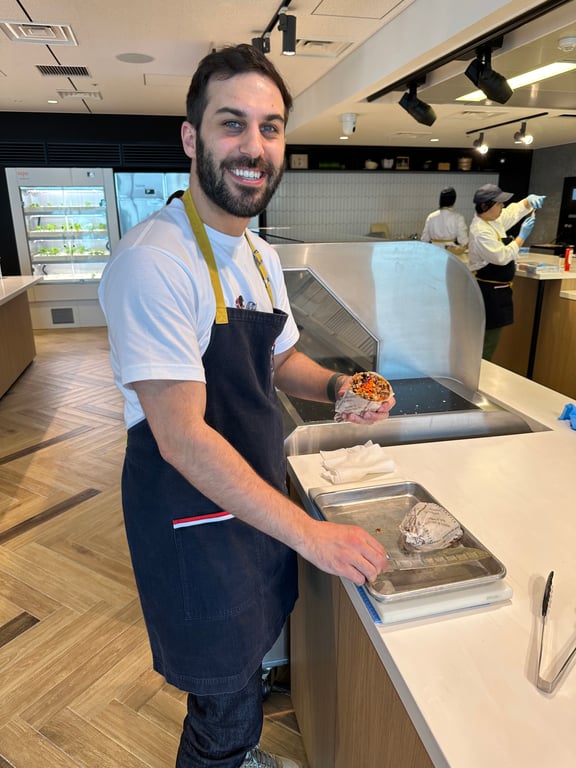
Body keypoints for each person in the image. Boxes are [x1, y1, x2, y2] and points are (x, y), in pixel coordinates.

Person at [98, 44, 395, 768]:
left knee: (246, 672)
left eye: (270, 127)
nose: (253, 147)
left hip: (251, 506)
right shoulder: (155, 260)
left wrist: (339, 389)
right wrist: (312, 535)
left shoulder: (258, 255)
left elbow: (279, 360)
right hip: (193, 523)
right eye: (232, 124)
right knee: (222, 710)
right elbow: (182, 438)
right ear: (191, 137)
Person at [467, 183, 546, 360]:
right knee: (487, 341)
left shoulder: (493, 220)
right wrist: (521, 237)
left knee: (492, 338)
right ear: (485, 206)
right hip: (488, 293)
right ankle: (480, 373)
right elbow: (501, 257)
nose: (503, 206)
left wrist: (528, 201)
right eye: (499, 203)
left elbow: (512, 212)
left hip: (498, 292)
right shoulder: (480, 231)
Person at [420, 186, 468, 257]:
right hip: (451, 253)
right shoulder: (458, 218)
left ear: (440, 200)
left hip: (433, 251)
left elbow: (424, 239)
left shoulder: (431, 217)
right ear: (453, 201)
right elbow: (463, 241)